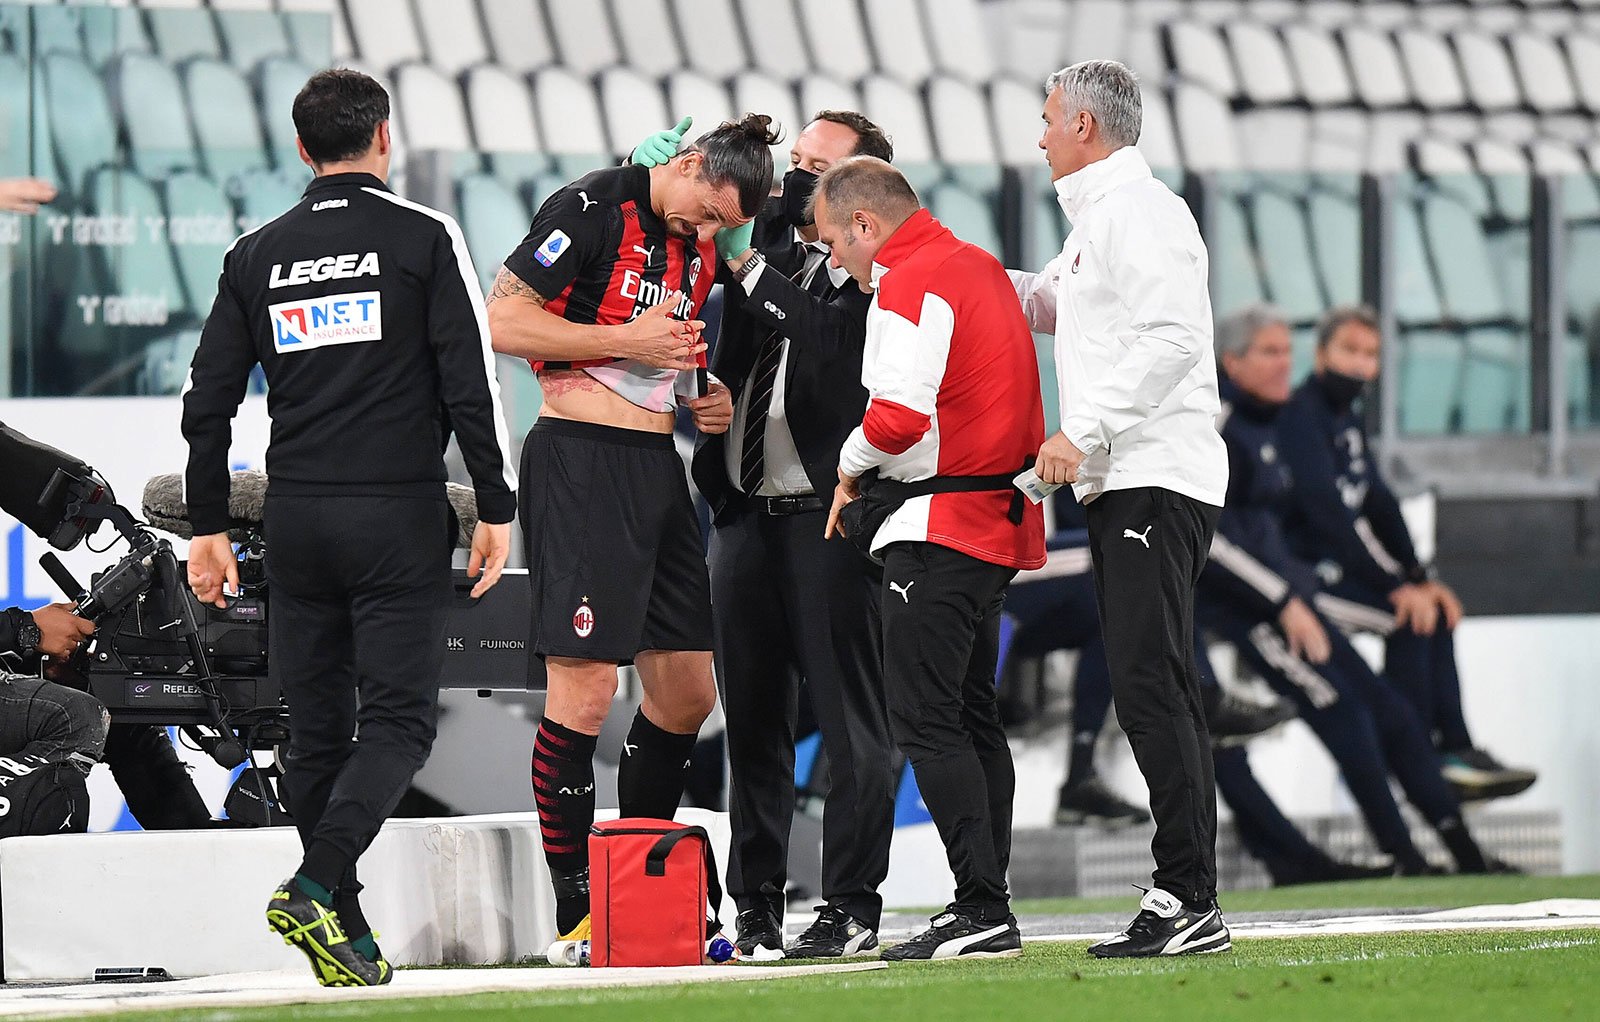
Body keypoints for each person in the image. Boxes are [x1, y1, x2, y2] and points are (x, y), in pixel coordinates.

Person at [182, 68, 515, 987]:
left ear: (300, 149)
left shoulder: (257, 252)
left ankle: (348, 930)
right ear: (383, 137)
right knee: (401, 726)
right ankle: (317, 881)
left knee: (317, 737)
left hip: (296, 521)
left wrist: (208, 525)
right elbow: (469, 382)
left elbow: (206, 401)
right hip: (396, 514)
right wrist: (496, 503)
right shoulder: (421, 235)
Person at [486, 115, 776, 951]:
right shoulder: (590, 205)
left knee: (688, 692)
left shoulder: (700, 240)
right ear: (685, 163)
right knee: (582, 692)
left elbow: (665, 352)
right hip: (579, 461)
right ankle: (576, 905)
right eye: (706, 211)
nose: (709, 231)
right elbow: (502, 322)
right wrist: (625, 340)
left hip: (658, 470)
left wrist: (703, 390)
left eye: (725, 224)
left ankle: (636, 884)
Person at [633, 110, 899, 960]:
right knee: (752, 723)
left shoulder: (878, 277)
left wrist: (746, 261)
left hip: (830, 517)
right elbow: (729, 365)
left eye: (816, 171)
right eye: (797, 163)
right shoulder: (768, 263)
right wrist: (702, 403)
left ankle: (853, 903)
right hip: (745, 512)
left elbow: (823, 350)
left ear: (862, 195)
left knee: (855, 721)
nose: (791, 182)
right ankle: (756, 906)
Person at [1008, 60, 1231, 958]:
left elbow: (1178, 338)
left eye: (1051, 119)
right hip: (1131, 476)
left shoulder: (1139, 212)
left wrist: (1084, 429)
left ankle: (1188, 896)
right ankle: (1188, 894)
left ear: (1087, 129)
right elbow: (1063, 306)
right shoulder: (1105, 219)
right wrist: (958, 274)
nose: (1042, 135)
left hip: (1150, 473)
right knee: (1150, 680)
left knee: (1151, 682)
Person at [816, 155, 1046, 961]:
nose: (834, 262)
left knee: (926, 717)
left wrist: (846, 469)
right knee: (972, 714)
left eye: (833, 244)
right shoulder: (977, 265)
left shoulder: (909, 282)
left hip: (939, 523)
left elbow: (899, 418)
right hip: (993, 521)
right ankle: (989, 898)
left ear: (865, 226)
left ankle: (982, 906)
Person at [1200, 303, 1506, 877]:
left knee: (1386, 711)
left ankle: (1458, 848)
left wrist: (1413, 578)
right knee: (1345, 716)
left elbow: (1365, 504)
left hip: (1294, 602)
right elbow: (1207, 537)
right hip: (1247, 613)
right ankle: (1404, 855)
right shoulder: (1216, 424)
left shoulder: (1269, 422)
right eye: (1269, 352)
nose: (1281, 365)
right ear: (1231, 360)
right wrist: (1284, 600)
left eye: (1286, 351)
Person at [1276, 305, 1537, 802]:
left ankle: (1454, 750)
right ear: (1322, 353)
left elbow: (1380, 503)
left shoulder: (1346, 420)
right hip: (1302, 578)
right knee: (1406, 617)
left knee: (1430, 610)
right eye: (1349, 350)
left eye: (1370, 354)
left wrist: (1420, 577)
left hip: (1342, 571)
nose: (1359, 365)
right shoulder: (1299, 416)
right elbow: (1328, 518)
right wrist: (1395, 587)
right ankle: (1416, 758)